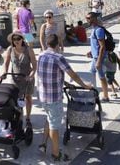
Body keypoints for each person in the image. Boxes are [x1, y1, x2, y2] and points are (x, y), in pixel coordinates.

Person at [37, 34, 92, 162]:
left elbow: (49, 74)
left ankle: (43, 144)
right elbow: (72, 73)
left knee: (49, 118)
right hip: (54, 97)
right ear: (57, 44)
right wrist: (84, 85)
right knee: (54, 126)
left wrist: (65, 83)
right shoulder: (58, 57)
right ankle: (56, 154)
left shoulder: (41, 55)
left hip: (43, 95)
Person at [3, 31, 37, 126]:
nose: (16, 41)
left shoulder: (28, 50)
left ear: (22, 39)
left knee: (28, 97)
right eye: (14, 39)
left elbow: (34, 65)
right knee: (16, 99)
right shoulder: (10, 49)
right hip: (15, 79)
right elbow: (6, 63)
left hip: (27, 78)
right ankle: (19, 117)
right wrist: (5, 72)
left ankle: (28, 117)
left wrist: (31, 75)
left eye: (18, 38)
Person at [86, 12, 109, 102]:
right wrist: (91, 51)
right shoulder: (93, 29)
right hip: (95, 57)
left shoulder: (98, 30)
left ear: (94, 19)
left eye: (89, 18)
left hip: (99, 58)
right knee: (91, 74)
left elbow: (102, 46)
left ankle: (106, 96)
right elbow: (96, 45)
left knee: (101, 77)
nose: (87, 20)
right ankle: (93, 93)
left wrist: (99, 61)